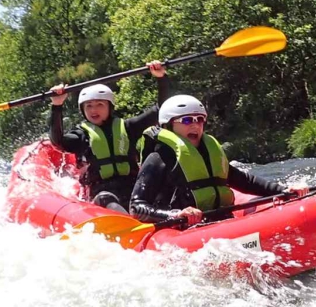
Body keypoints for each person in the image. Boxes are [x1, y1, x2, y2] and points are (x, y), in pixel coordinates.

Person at [130, 94, 304, 226]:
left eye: (200, 119)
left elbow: (246, 181)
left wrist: (284, 191)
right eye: (187, 120)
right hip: (181, 228)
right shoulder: (158, 159)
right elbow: (136, 207)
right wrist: (175, 214)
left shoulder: (209, 154)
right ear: (168, 126)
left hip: (218, 221)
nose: (195, 125)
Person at [49, 61, 168, 212]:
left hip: (133, 188)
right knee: (106, 199)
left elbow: (161, 110)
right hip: (101, 193)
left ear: (110, 107)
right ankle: (128, 221)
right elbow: (57, 141)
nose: (94, 110)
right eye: (89, 106)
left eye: (100, 104)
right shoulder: (81, 136)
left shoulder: (128, 128)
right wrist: (57, 105)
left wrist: (161, 78)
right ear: (83, 110)